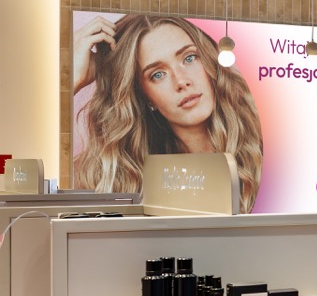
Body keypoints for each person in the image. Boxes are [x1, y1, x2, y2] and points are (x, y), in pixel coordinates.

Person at [72, 14, 263, 213]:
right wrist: (71, 81)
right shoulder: (115, 173)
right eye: (158, 74)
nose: (181, 82)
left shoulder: (267, 148)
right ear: (145, 97)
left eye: (189, 58)